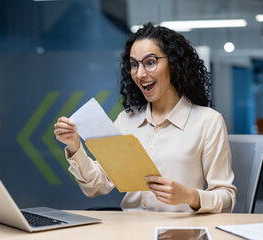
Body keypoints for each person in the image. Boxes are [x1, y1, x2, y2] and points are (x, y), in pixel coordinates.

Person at [54, 22, 236, 213]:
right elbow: (96, 186)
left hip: (179, 232)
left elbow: (227, 198)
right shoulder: (127, 120)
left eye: (150, 62)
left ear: (174, 64)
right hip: (130, 230)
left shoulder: (208, 122)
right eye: (134, 65)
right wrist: (74, 146)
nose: (140, 74)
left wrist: (190, 196)